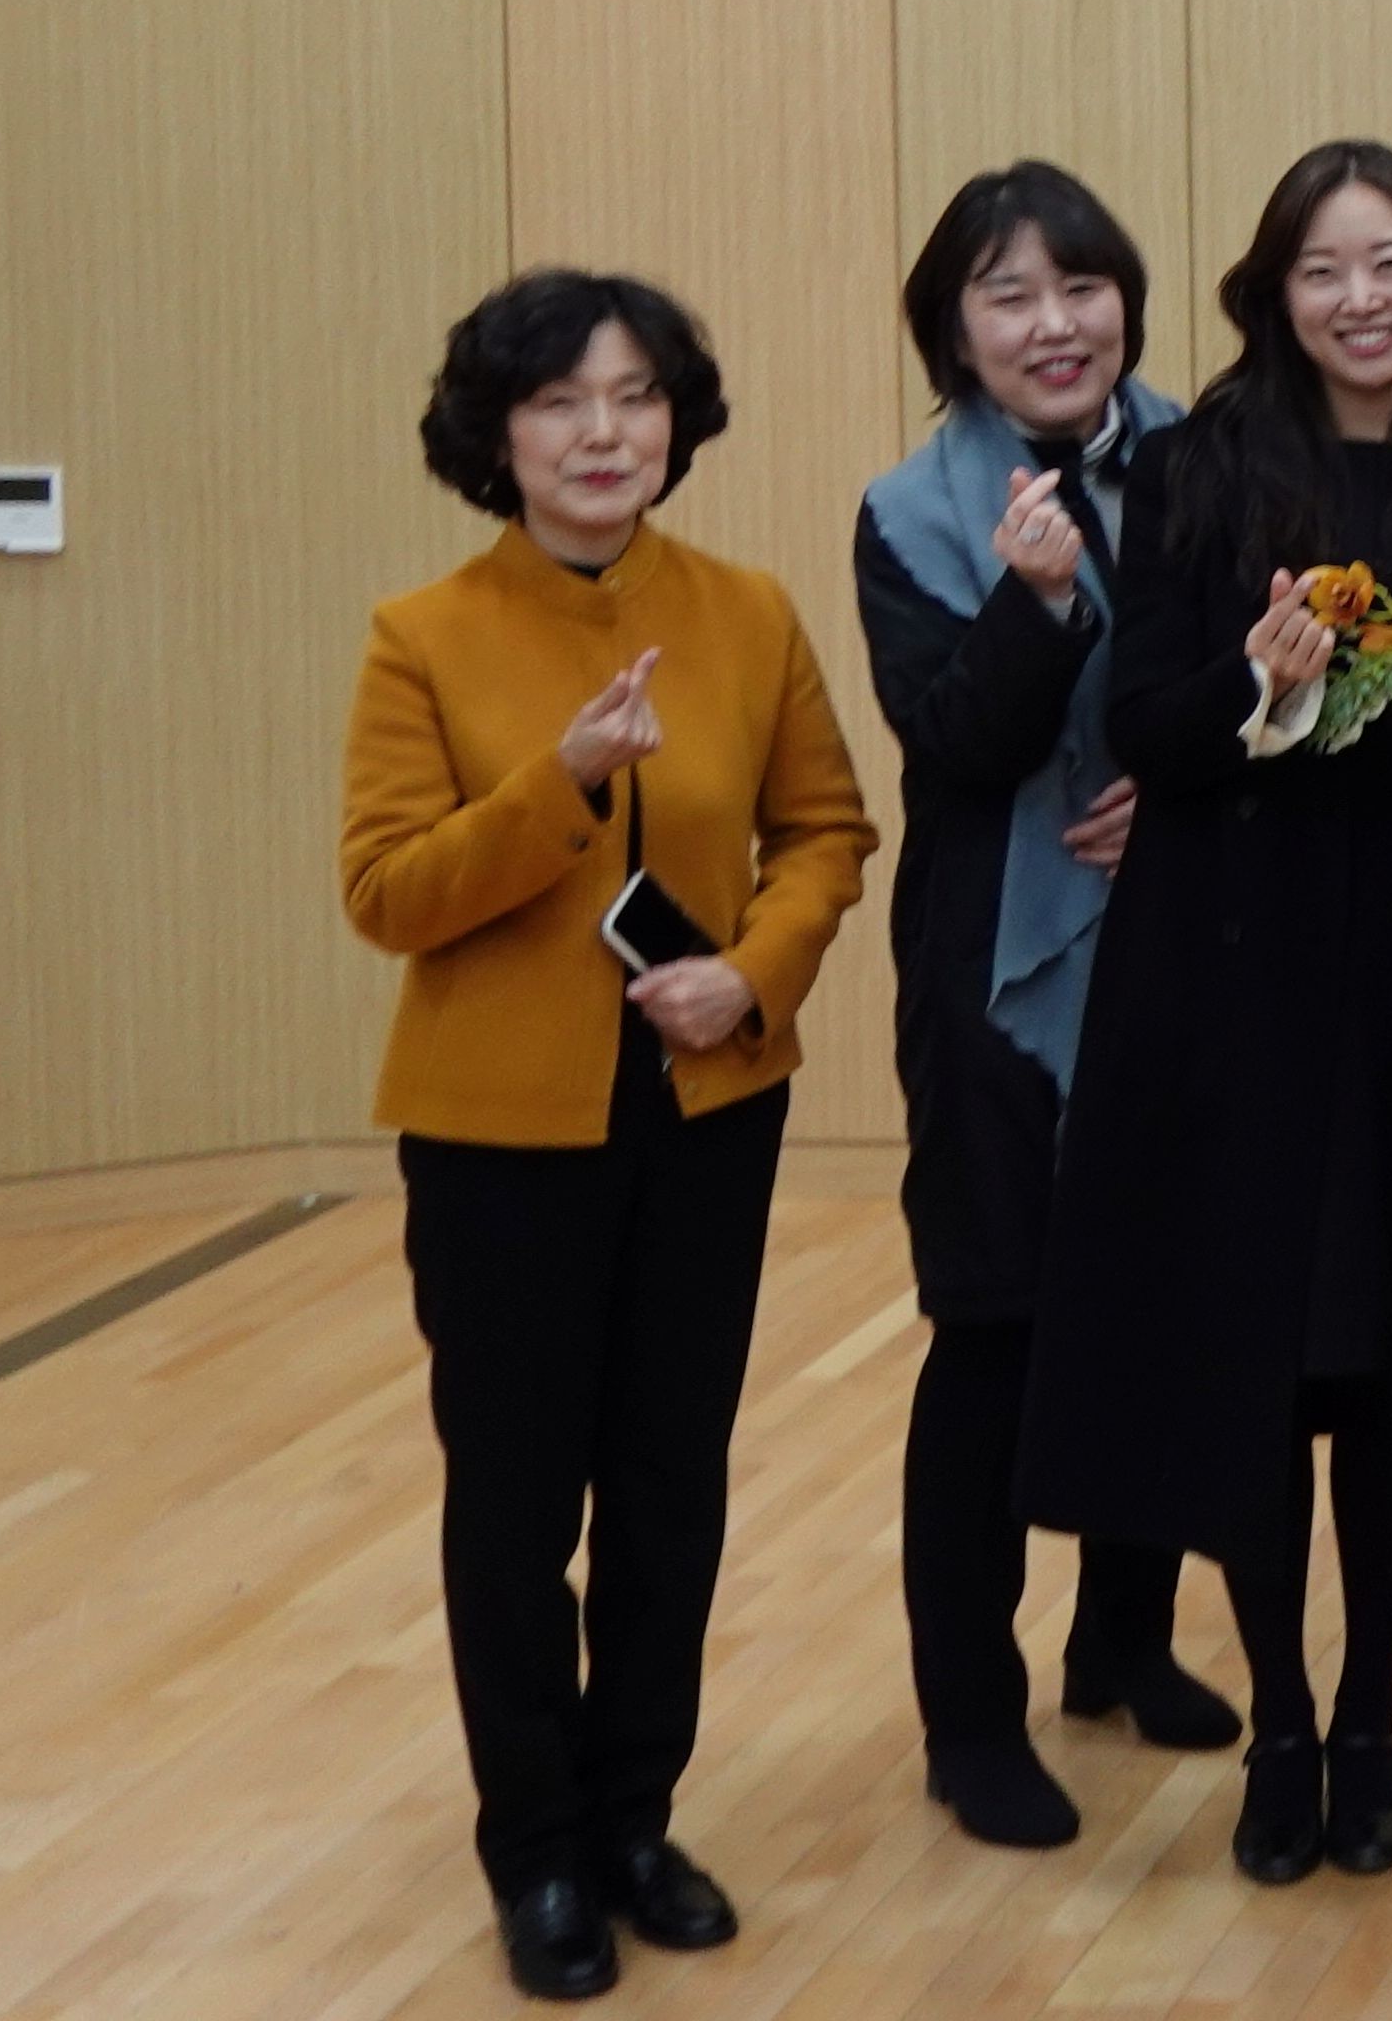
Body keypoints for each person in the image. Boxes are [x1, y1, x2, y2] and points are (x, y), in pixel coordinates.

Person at [340, 271, 874, 2001]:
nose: (602, 432)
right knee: (514, 1504)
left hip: (706, 1110)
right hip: (497, 1138)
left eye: (635, 397)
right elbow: (388, 893)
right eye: (561, 401)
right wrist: (556, 783)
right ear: (494, 435)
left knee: (666, 1482)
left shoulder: (747, 612)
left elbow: (826, 832)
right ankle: (538, 1849)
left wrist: (754, 975)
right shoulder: (423, 636)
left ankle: (639, 1818)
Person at [1022, 142, 1392, 1889]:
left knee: (1387, 1364)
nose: (1361, 299)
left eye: (1390, 262)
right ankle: (1284, 1721)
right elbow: (1148, 725)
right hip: (1228, 980)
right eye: (1323, 270)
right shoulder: (1201, 463)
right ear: (1273, 293)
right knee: (1252, 1358)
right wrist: (1265, 679)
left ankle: (1373, 1711)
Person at [847, 164, 1234, 1849]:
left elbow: (1271, 685)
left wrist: (1186, 792)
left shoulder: (1209, 461)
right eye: (1008, 296)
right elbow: (957, 743)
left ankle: (1122, 1643)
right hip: (991, 976)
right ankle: (970, 1718)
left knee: (1157, 1304)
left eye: (1081, 287)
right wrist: (1041, 602)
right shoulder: (910, 512)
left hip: (1182, 950)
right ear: (955, 333)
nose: (1054, 323)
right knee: (994, 1333)